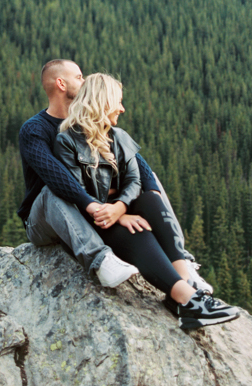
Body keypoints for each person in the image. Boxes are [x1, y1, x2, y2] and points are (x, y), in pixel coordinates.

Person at [53, 72, 240, 329]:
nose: (122, 108)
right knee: (136, 231)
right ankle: (186, 300)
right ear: (101, 102)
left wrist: (120, 207)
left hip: (116, 211)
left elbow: (134, 181)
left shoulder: (119, 138)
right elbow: (77, 193)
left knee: (151, 201)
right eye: (117, 101)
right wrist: (119, 213)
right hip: (95, 222)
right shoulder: (66, 141)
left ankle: (185, 288)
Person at [18, 59, 212, 292]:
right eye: (79, 77)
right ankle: (101, 261)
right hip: (47, 217)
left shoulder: (91, 124)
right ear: (61, 83)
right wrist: (114, 213)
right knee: (50, 191)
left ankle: (181, 261)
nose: (85, 80)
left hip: (90, 209)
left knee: (150, 178)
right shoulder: (35, 129)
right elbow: (58, 177)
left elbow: (140, 168)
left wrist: (128, 204)